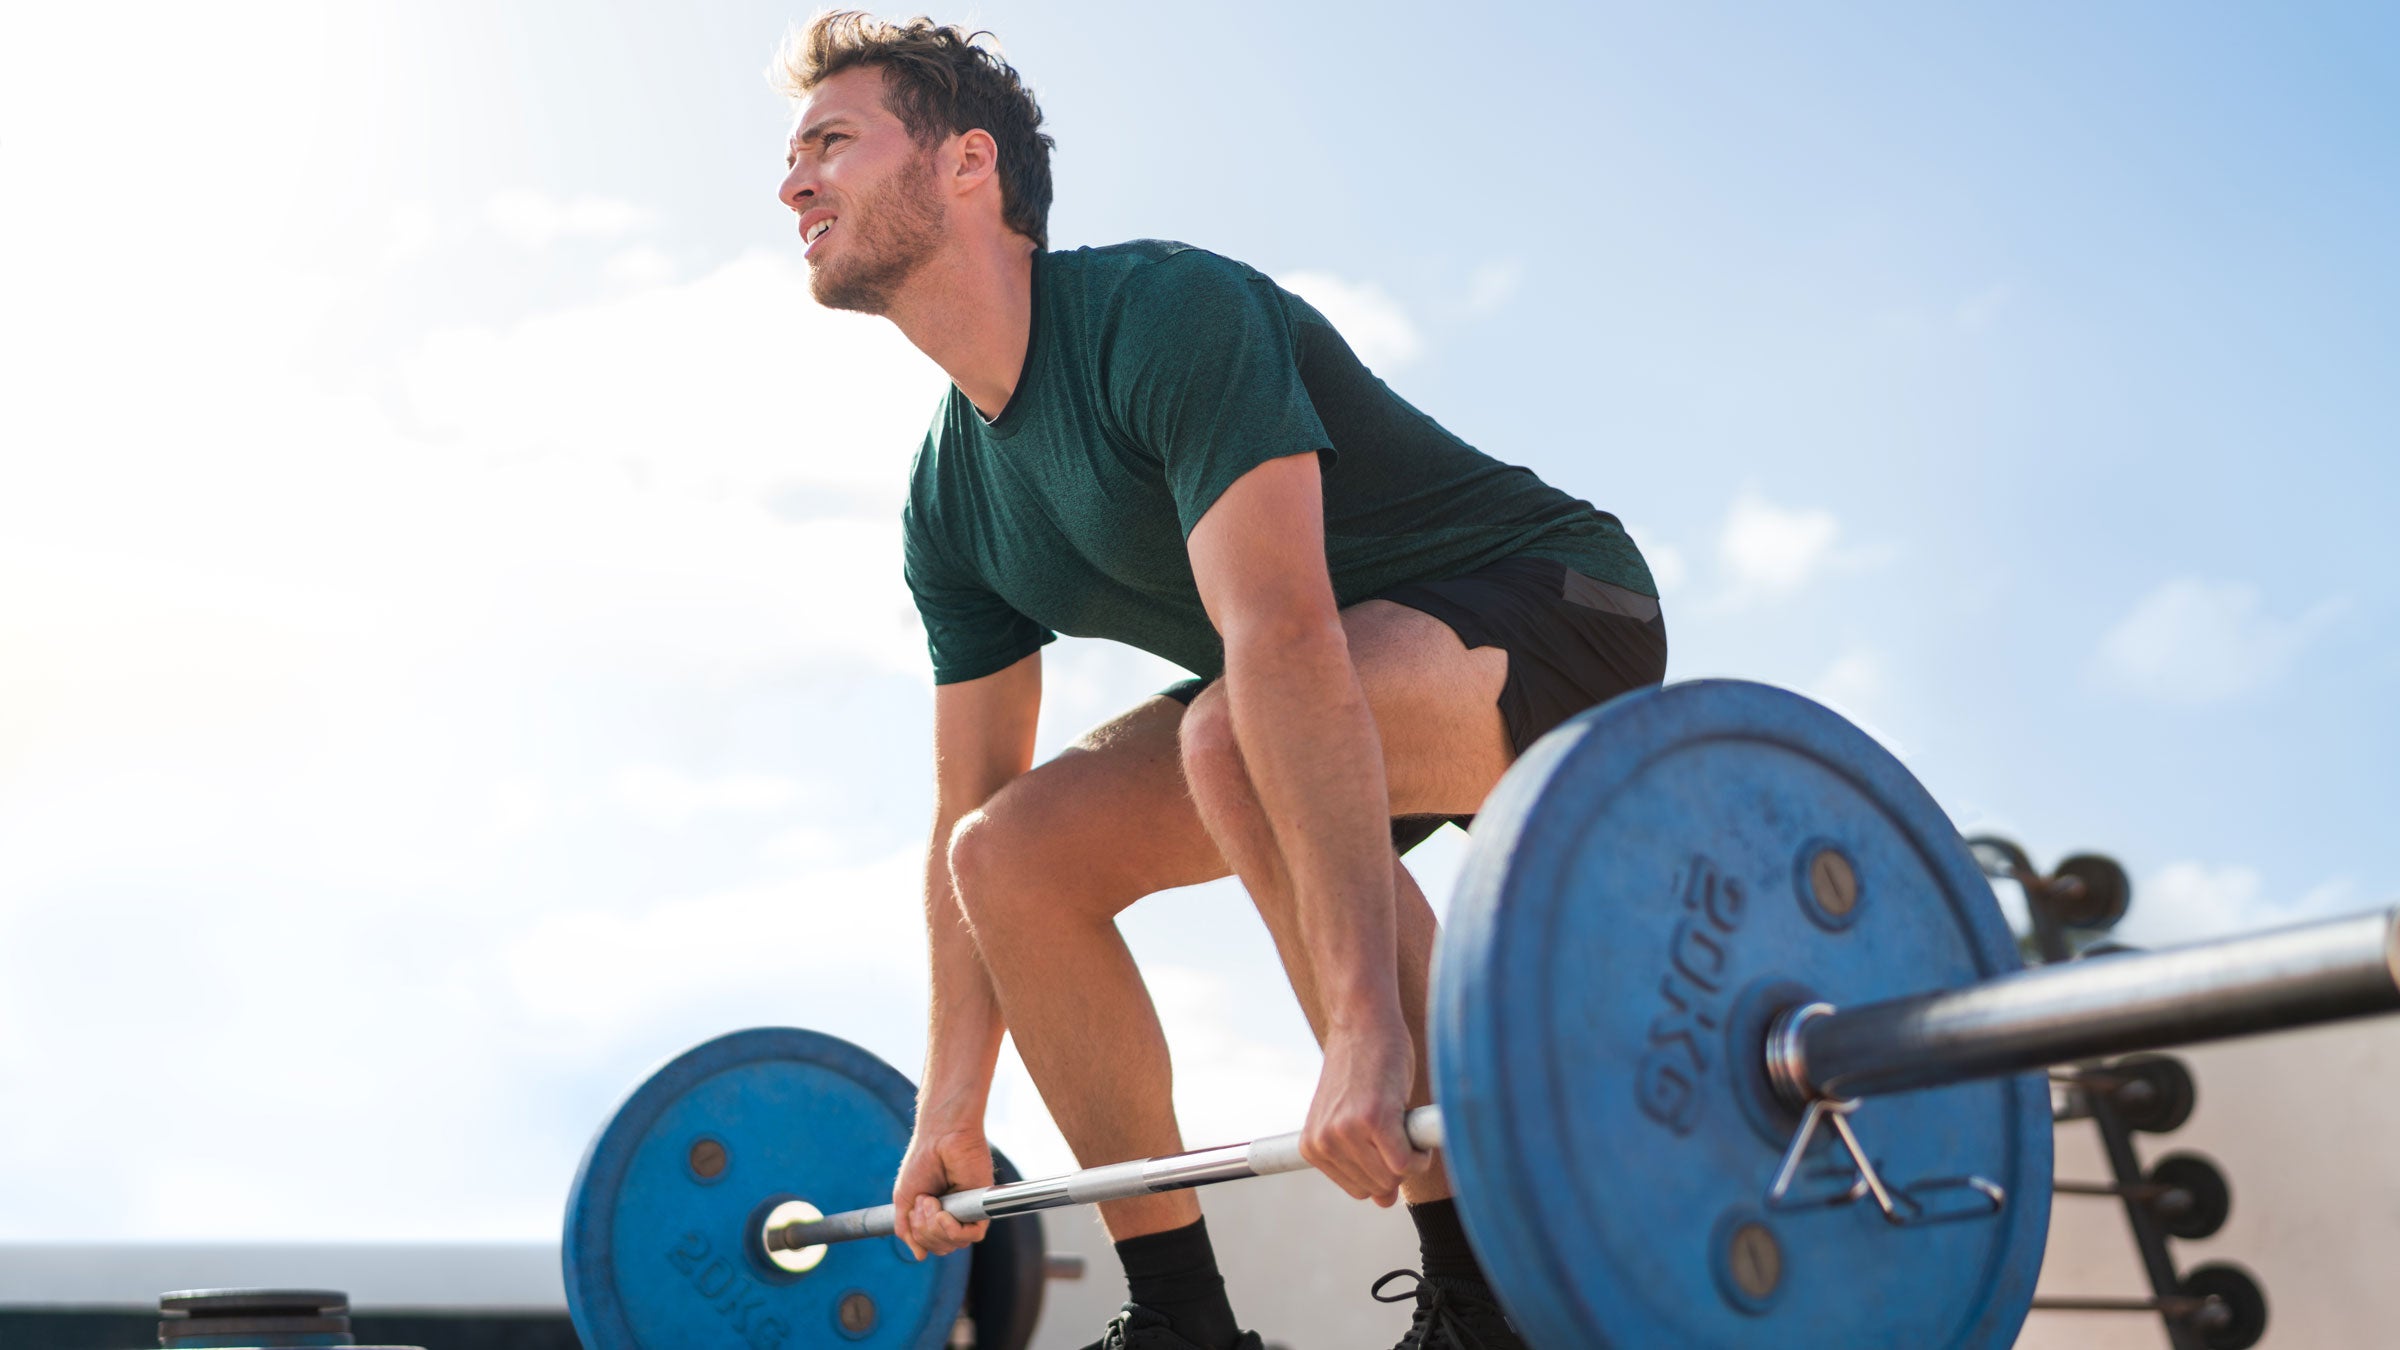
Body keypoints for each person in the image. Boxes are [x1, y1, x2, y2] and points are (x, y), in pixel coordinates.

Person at [771, 14, 1665, 1349]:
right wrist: (950, 1110)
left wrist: (1363, 1027)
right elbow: (974, 789)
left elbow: (1289, 636)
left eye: (830, 143)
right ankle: (1182, 1319)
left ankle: (1488, 1300)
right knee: (1006, 851)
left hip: (1557, 609)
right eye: (794, 157)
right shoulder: (950, 498)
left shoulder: (1162, 313)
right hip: (1307, 698)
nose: (793, 183)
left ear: (966, 165)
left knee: (1237, 733)